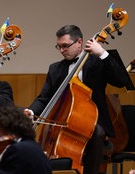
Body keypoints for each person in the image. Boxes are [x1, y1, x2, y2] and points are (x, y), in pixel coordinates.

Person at [24, 25, 130, 174]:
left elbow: (122, 80)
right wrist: (31, 111)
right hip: (64, 125)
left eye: (65, 46)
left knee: (97, 132)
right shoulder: (55, 68)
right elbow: (44, 97)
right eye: (59, 47)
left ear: (79, 42)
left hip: (94, 123)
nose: (62, 50)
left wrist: (102, 53)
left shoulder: (97, 62)